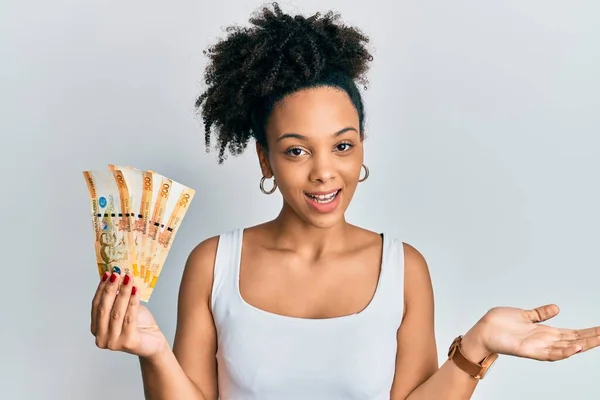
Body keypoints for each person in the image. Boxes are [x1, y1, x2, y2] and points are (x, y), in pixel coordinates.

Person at [89, 3, 600, 399]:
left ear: (361, 148)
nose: (324, 171)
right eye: (295, 150)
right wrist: (152, 353)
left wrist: (478, 345)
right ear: (265, 160)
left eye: (342, 144)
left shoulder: (404, 269)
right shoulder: (214, 264)